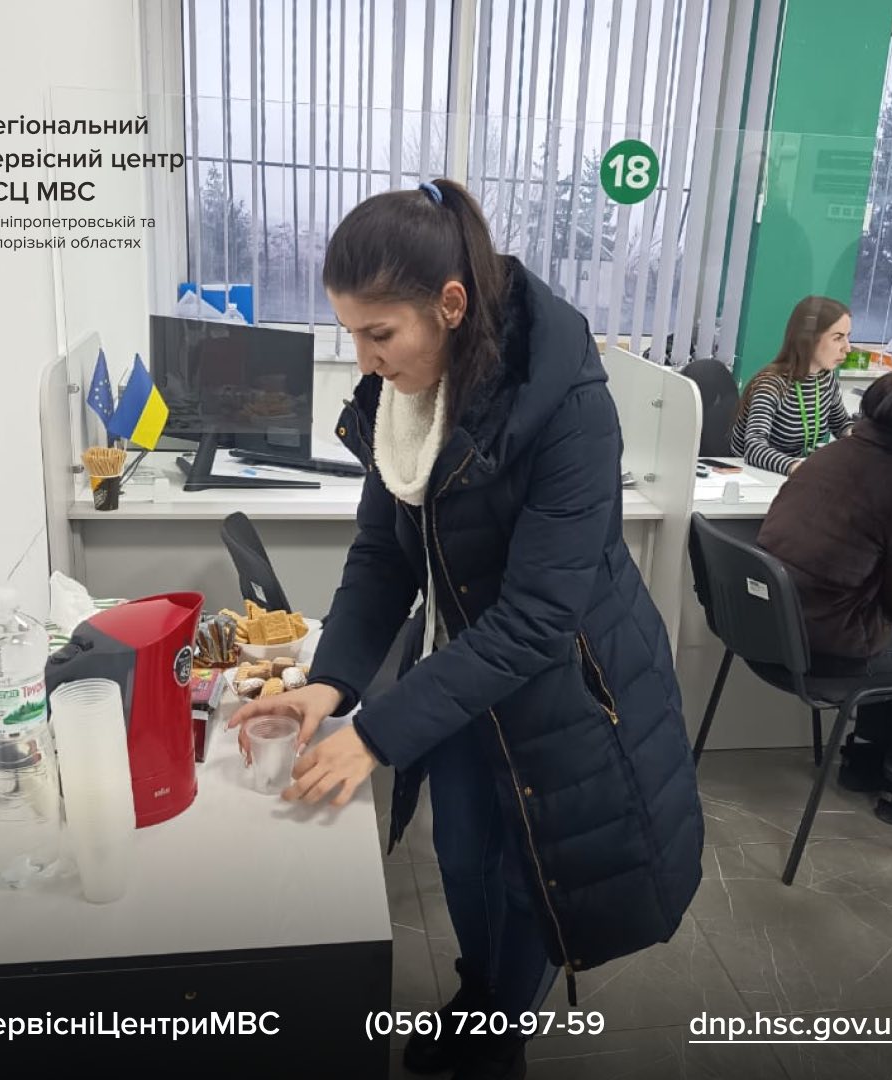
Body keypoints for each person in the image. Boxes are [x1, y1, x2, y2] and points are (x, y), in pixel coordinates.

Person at [230, 179, 704, 1080]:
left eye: (380, 334)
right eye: (351, 334)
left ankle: (498, 1033)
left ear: (451, 305)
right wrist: (331, 683)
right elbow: (383, 554)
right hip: (458, 676)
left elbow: (536, 620)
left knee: (529, 878)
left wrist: (375, 733)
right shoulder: (405, 399)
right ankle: (479, 993)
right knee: (463, 856)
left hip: (564, 689)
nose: (365, 360)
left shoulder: (567, 406)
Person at [758, 369, 892, 824]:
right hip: (821, 650)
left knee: (889, 628)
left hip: (767, 633)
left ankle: (865, 758)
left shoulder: (828, 455)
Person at [730, 295, 854, 475]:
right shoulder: (771, 385)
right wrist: (799, 468)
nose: (847, 348)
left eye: (848, 337)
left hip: (791, 476)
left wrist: (865, 437)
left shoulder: (825, 379)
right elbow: (754, 448)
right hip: (751, 477)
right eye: (838, 338)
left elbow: (841, 424)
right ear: (809, 340)